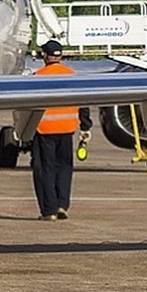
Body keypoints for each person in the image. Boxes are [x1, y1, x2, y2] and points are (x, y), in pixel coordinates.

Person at [30, 39, 91, 220]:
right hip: (67, 129)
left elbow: (28, 105)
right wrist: (85, 126)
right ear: (61, 55)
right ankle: (62, 205)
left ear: (44, 56)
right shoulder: (72, 76)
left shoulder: (38, 76)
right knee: (64, 168)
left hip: (44, 129)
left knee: (44, 170)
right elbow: (84, 102)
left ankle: (49, 210)